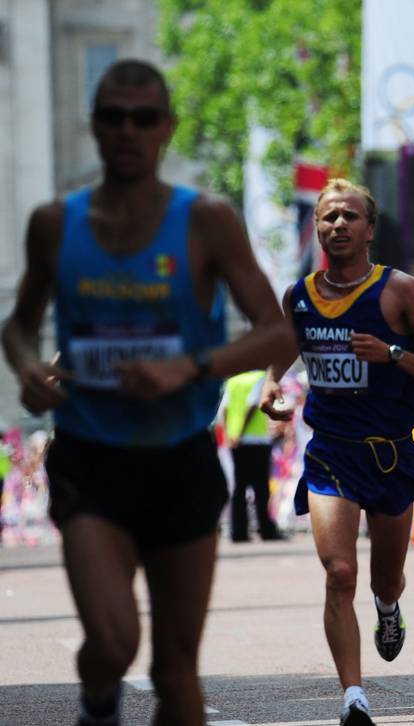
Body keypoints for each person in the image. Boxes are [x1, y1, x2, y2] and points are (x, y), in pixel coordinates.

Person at [0, 59, 293, 726]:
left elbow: (276, 334)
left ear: (167, 129)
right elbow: (16, 329)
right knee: (112, 643)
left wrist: (191, 367)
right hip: (91, 459)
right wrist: (28, 370)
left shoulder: (208, 221)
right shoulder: (54, 224)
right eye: (113, 117)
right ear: (95, 126)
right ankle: (98, 703)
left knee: (174, 673)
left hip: (180, 458)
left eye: (143, 118)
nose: (128, 130)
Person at [259, 178, 414, 725]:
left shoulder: (399, 291)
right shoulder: (299, 296)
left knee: (383, 579)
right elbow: (284, 349)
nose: (338, 225)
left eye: (349, 216)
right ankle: (353, 696)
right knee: (339, 572)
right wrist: (272, 387)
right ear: (317, 228)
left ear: (369, 229)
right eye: (328, 217)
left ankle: (388, 608)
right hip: (331, 455)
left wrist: (393, 353)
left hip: (391, 455)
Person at [218, 370, 285, 542]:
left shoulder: (233, 380)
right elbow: (254, 404)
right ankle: (266, 530)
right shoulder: (260, 378)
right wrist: (241, 432)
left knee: (239, 487)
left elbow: (224, 408)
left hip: (235, 441)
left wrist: (229, 433)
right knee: (261, 487)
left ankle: (238, 532)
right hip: (256, 440)